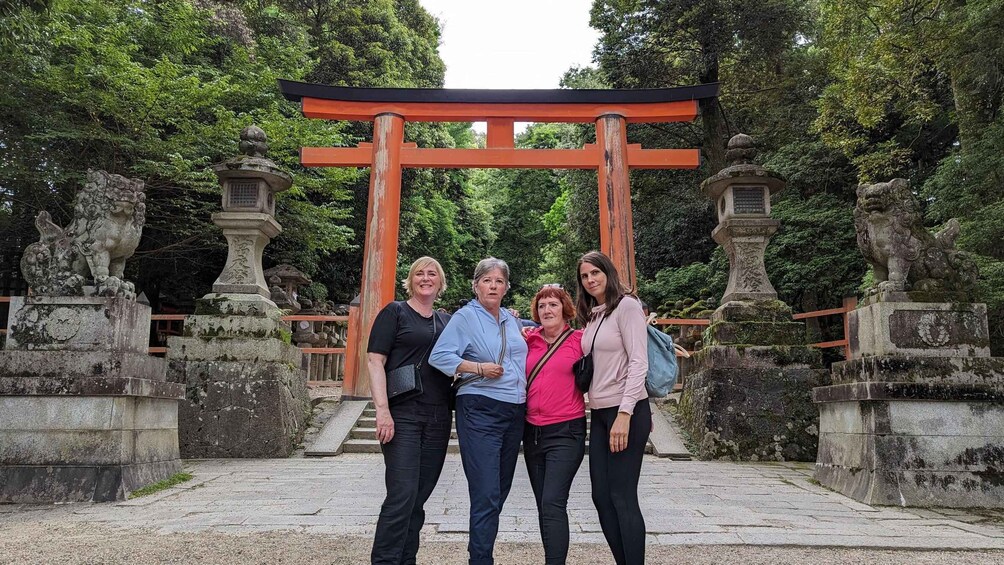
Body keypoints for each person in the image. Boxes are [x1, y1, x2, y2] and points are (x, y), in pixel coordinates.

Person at [430, 257, 528, 565]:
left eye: (499, 281)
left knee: (499, 490)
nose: (493, 286)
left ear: (506, 287)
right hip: (480, 407)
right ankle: (481, 560)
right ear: (476, 285)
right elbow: (440, 355)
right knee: (486, 491)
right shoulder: (465, 317)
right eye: (487, 280)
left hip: (515, 410)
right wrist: (478, 368)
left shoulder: (512, 320)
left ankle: (479, 550)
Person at [368, 257, 453, 565]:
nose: (426, 278)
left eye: (432, 274)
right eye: (420, 273)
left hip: (438, 415)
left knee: (418, 497)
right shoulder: (395, 312)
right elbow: (375, 360)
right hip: (402, 413)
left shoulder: (447, 321)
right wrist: (382, 410)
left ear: (441, 282)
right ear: (410, 279)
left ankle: (407, 559)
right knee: (402, 494)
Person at [576, 251, 650, 565]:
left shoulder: (627, 307)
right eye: (584, 276)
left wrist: (625, 413)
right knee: (601, 497)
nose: (591, 279)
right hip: (600, 412)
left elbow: (638, 362)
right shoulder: (593, 315)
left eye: (596, 273)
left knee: (622, 496)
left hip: (626, 412)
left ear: (608, 272)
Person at [522, 285, 586, 565]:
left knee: (553, 502)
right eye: (542, 306)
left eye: (553, 305)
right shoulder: (528, 340)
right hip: (532, 430)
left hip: (566, 429)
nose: (547, 310)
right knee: (543, 505)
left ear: (565, 309)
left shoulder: (580, 340)